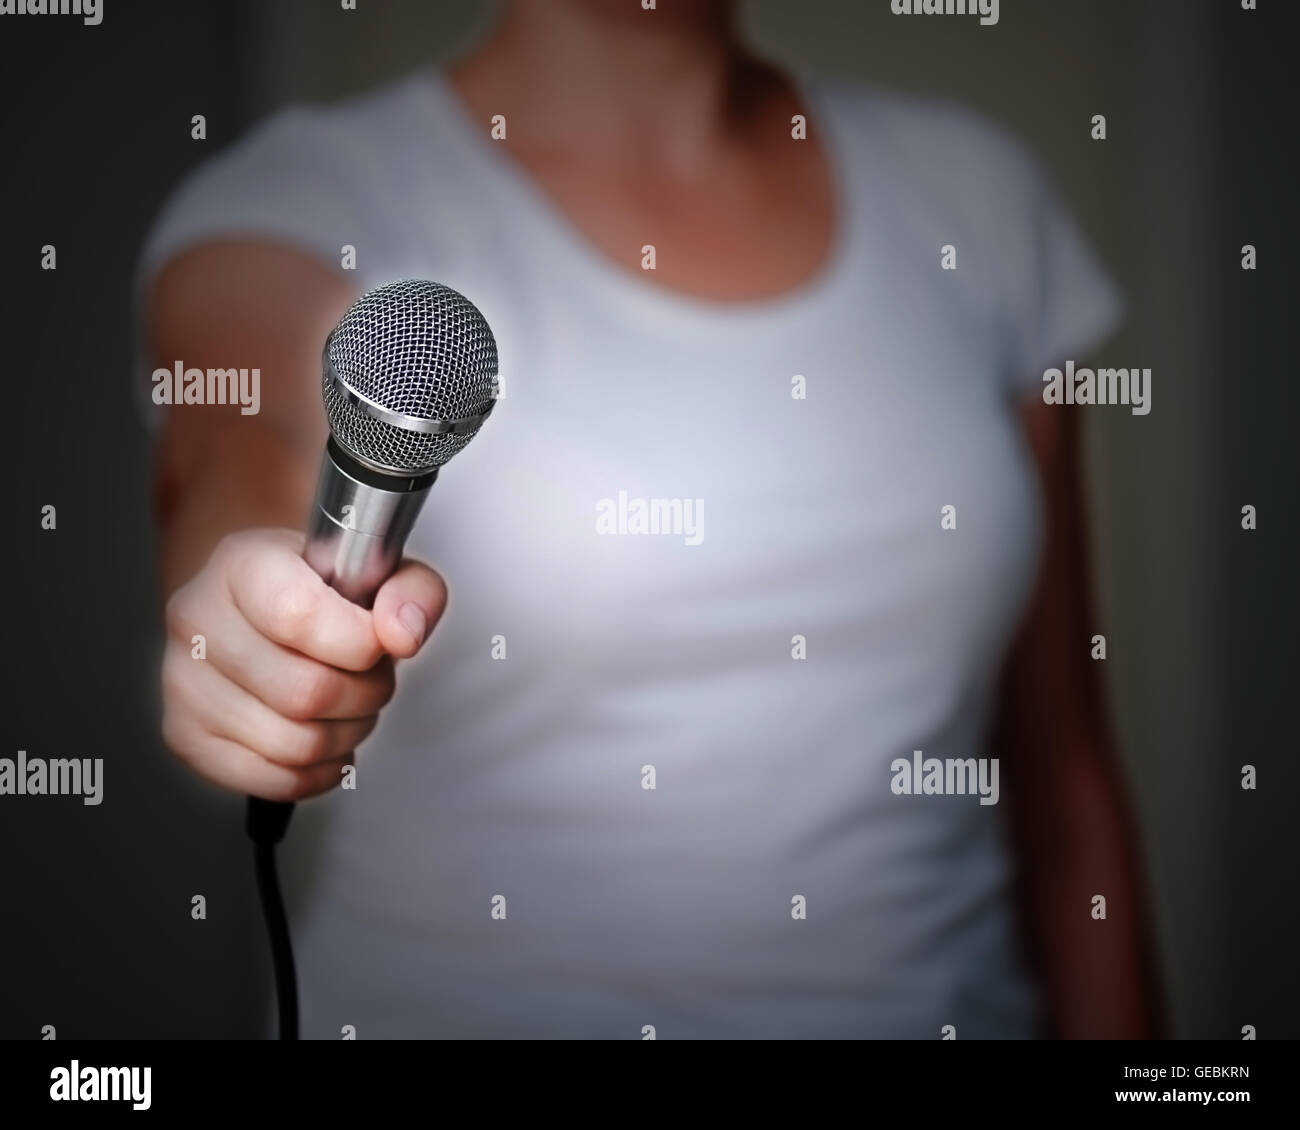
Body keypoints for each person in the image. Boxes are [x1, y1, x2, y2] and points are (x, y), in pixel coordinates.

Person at [140, 0, 1162, 1038]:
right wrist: (246, 618)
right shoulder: (305, 195)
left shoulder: (975, 196)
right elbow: (243, 446)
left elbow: (1063, 787)